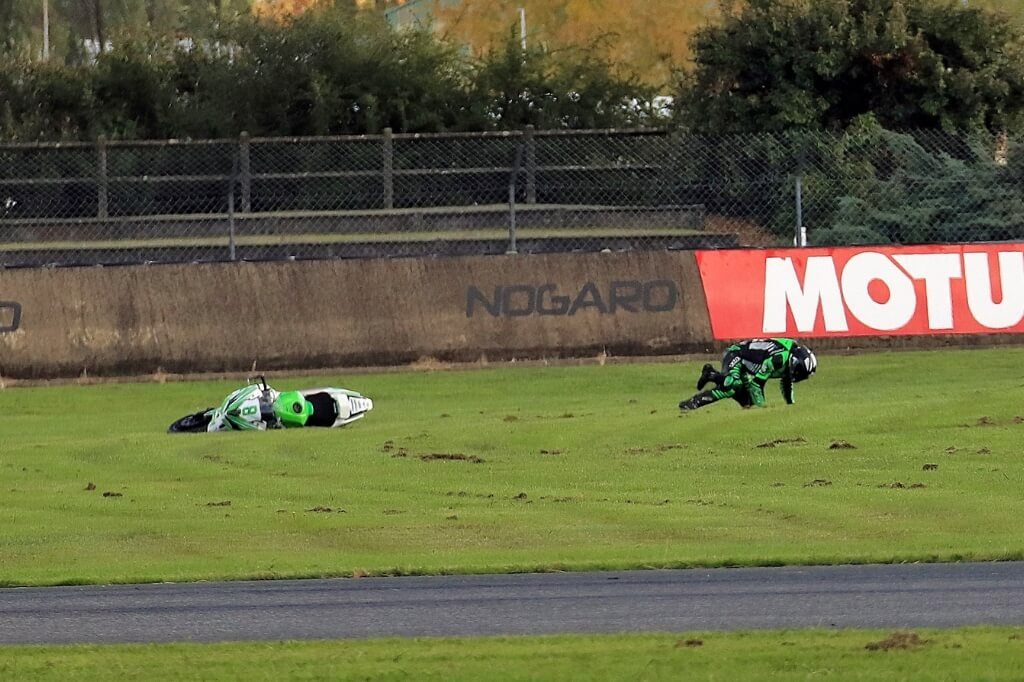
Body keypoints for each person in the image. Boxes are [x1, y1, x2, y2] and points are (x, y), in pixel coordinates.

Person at [679, 338, 816, 410]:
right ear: (795, 363)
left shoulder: (789, 359)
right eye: (801, 373)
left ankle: (711, 374)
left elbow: (786, 383)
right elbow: (756, 384)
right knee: (731, 386)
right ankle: (692, 403)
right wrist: (762, 408)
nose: (800, 377)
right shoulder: (778, 359)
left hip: (746, 365)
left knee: (748, 402)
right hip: (736, 355)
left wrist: (790, 406)